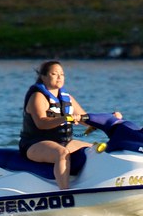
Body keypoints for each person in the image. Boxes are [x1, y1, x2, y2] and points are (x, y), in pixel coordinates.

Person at [18, 60, 118, 190]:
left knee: (97, 150)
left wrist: (110, 117)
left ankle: (106, 184)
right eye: (54, 74)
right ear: (43, 77)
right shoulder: (38, 96)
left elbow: (84, 118)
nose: (59, 77)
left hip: (64, 141)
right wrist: (65, 118)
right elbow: (41, 123)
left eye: (62, 74)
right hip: (35, 144)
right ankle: (64, 191)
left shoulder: (66, 97)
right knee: (62, 153)